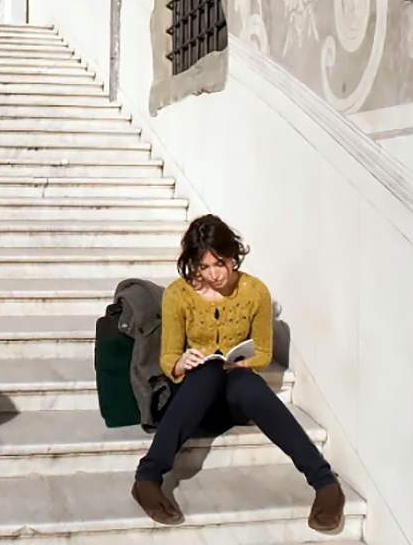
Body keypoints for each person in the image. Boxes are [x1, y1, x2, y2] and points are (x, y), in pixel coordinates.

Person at [132, 214, 345, 532]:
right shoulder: (179, 294)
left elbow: (264, 352)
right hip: (193, 399)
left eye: (220, 263)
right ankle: (147, 478)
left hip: (235, 399)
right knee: (208, 372)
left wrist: (247, 363)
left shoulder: (254, 291)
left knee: (244, 383)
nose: (214, 274)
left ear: (233, 256)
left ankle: (324, 482)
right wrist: (182, 363)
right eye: (204, 267)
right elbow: (168, 358)